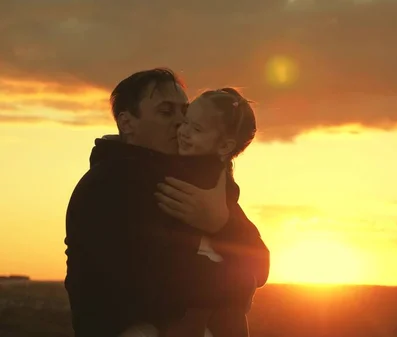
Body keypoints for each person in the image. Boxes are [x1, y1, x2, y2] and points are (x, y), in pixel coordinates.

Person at [64, 68, 269, 337]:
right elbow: (153, 280)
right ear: (127, 123)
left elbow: (260, 266)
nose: (180, 122)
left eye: (184, 111)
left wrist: (223, 223)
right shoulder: (106, 186)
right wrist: (239, 279)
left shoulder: (196, 182)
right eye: (165, 112)